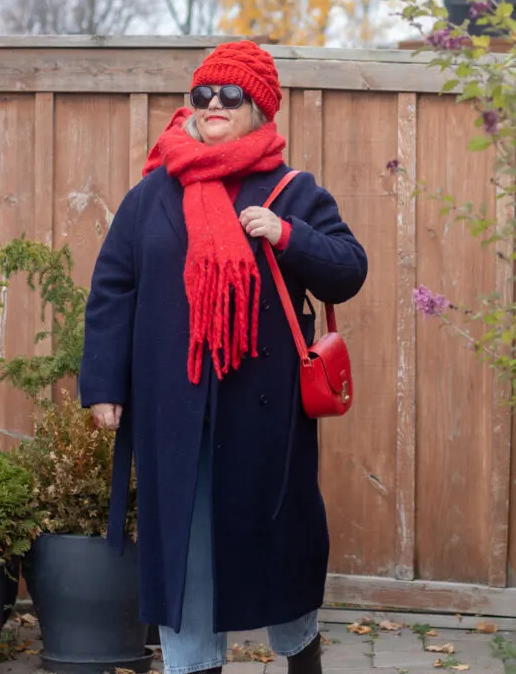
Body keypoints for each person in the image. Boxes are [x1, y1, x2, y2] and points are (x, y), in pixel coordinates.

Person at [80, 40, 368, 674]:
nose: (213, 104)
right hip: (172, 410)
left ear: (259, 109)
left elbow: (349, 270)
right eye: (202, 94)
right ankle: (192, 665)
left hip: (263, 416)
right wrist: (104, 383)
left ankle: (301, 653)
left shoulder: (292, 189)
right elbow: (113, 288)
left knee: (278, 549)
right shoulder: (154, 191)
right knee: (184, 556)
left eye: (230, 96)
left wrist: (285, 234)